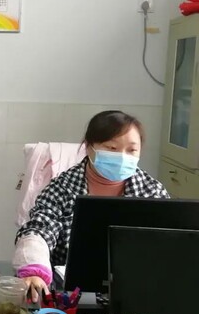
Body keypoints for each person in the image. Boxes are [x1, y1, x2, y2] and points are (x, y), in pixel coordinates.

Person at [13, 110, 170, 302]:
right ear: (89, 147)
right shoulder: (63, 186)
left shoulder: (151, 191)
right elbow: (39, 229)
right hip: (70, 297)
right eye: (112, 148)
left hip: (136, 293)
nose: (122, 157)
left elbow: (169, 244)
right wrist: (35, 270)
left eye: (131, 150)